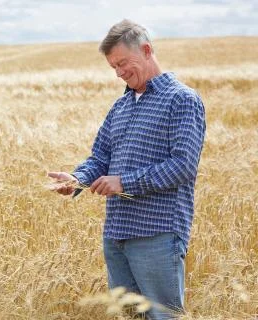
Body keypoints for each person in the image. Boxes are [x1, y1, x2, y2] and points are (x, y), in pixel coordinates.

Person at [48, 19, 206, 319]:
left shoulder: (182, 100)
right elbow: (100, 158)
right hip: (116, 233)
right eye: (113, 67)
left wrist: (124, 182)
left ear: (146, 50)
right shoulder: (120, 106)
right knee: (125, 317)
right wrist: (77, 178)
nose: (119, 72)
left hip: (157, 234)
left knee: (163, 316)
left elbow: (183, 166)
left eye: (123, 63)